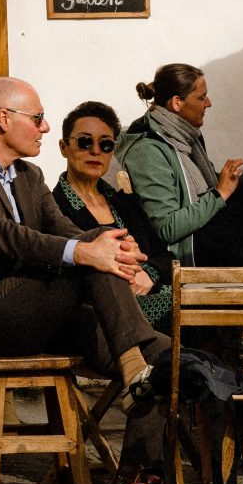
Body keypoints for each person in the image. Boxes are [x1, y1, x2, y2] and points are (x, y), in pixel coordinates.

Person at [0, 77, 170, 393]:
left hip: (32, 311)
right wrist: (87, 252)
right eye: (38, 118)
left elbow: (67, 231)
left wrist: (115, 245)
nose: (46, 127)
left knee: (170, 366)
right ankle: (138, 364)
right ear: (3, 118)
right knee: (89, 252)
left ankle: (164, 369)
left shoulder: (29, 175)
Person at [114, 62, 243, 269]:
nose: (208, 103)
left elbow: (222, 192)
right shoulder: (148, 150)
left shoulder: (185, 137)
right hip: (189, 250)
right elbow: (166, 228)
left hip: (207, 234)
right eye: (201, 98)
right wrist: (219, 194)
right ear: (177, 103)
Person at [51, 100, 176, 330]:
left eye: (106, 144)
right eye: (85, 141)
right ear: (63, 147)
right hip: (101, 316)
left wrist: (148, 273)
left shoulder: (125, 203)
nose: (95, 151)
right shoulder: (52, 207)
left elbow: (166, 257)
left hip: (154, 297)